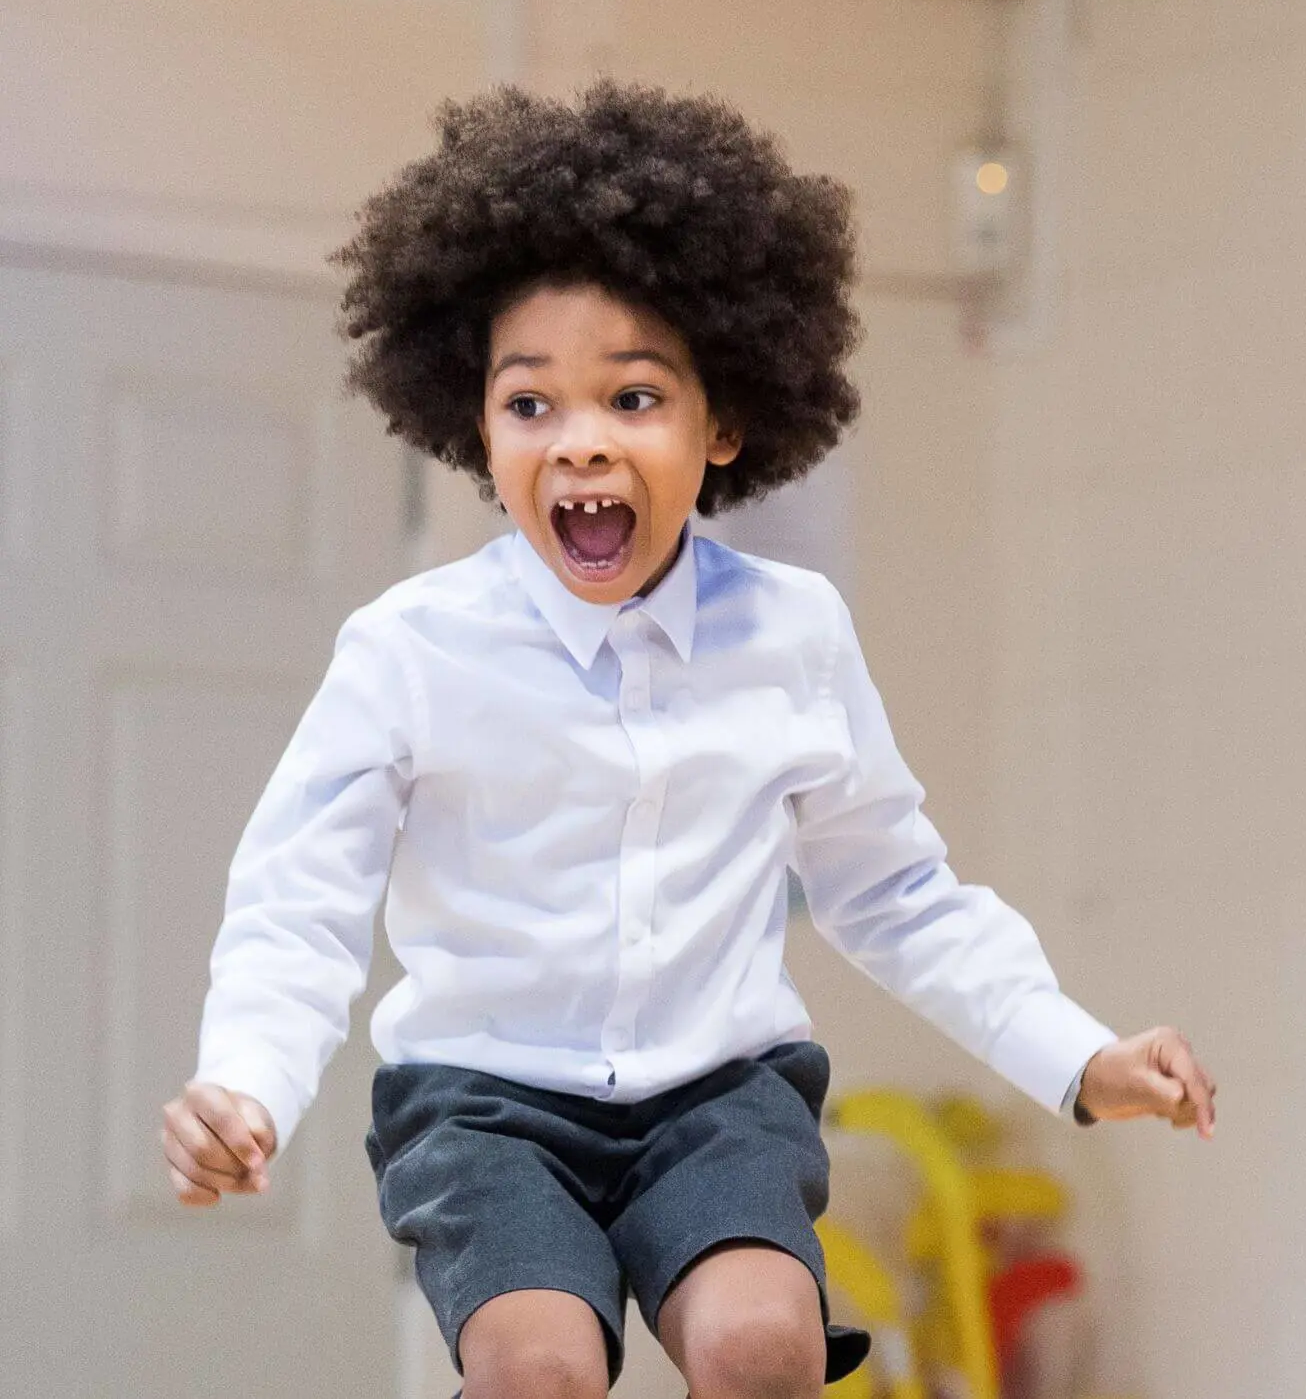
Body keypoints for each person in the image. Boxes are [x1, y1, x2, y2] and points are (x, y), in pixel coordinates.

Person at [159, 83, 1216, 1399]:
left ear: (722, 424)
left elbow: (896, 894)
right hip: (485, 1103)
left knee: (762, 1345)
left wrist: (1079, 1055)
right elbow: (300, 905)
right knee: (540, 1367)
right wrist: (246, 1082)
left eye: (634, 396)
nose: (581, 443)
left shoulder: (793, 634)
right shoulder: (408, 649)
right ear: (476, 426)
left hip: (719, 1099)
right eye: (530, 404)